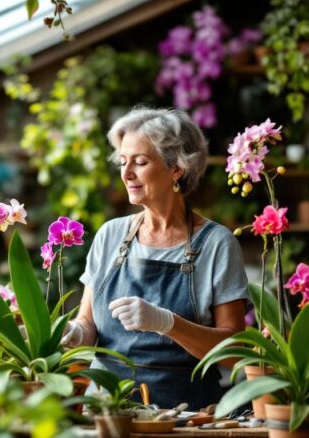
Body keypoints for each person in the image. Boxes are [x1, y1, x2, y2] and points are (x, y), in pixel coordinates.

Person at [62, 106, 248, 410]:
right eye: (123, 162)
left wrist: (167, 323)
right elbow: (88, 323)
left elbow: (235, 351)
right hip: (109, 411)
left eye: (140, 162)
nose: (126, 173)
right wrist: (73, 333)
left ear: (176, 168)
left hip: (187, 417)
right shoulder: (111, 236)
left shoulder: (216, 244)